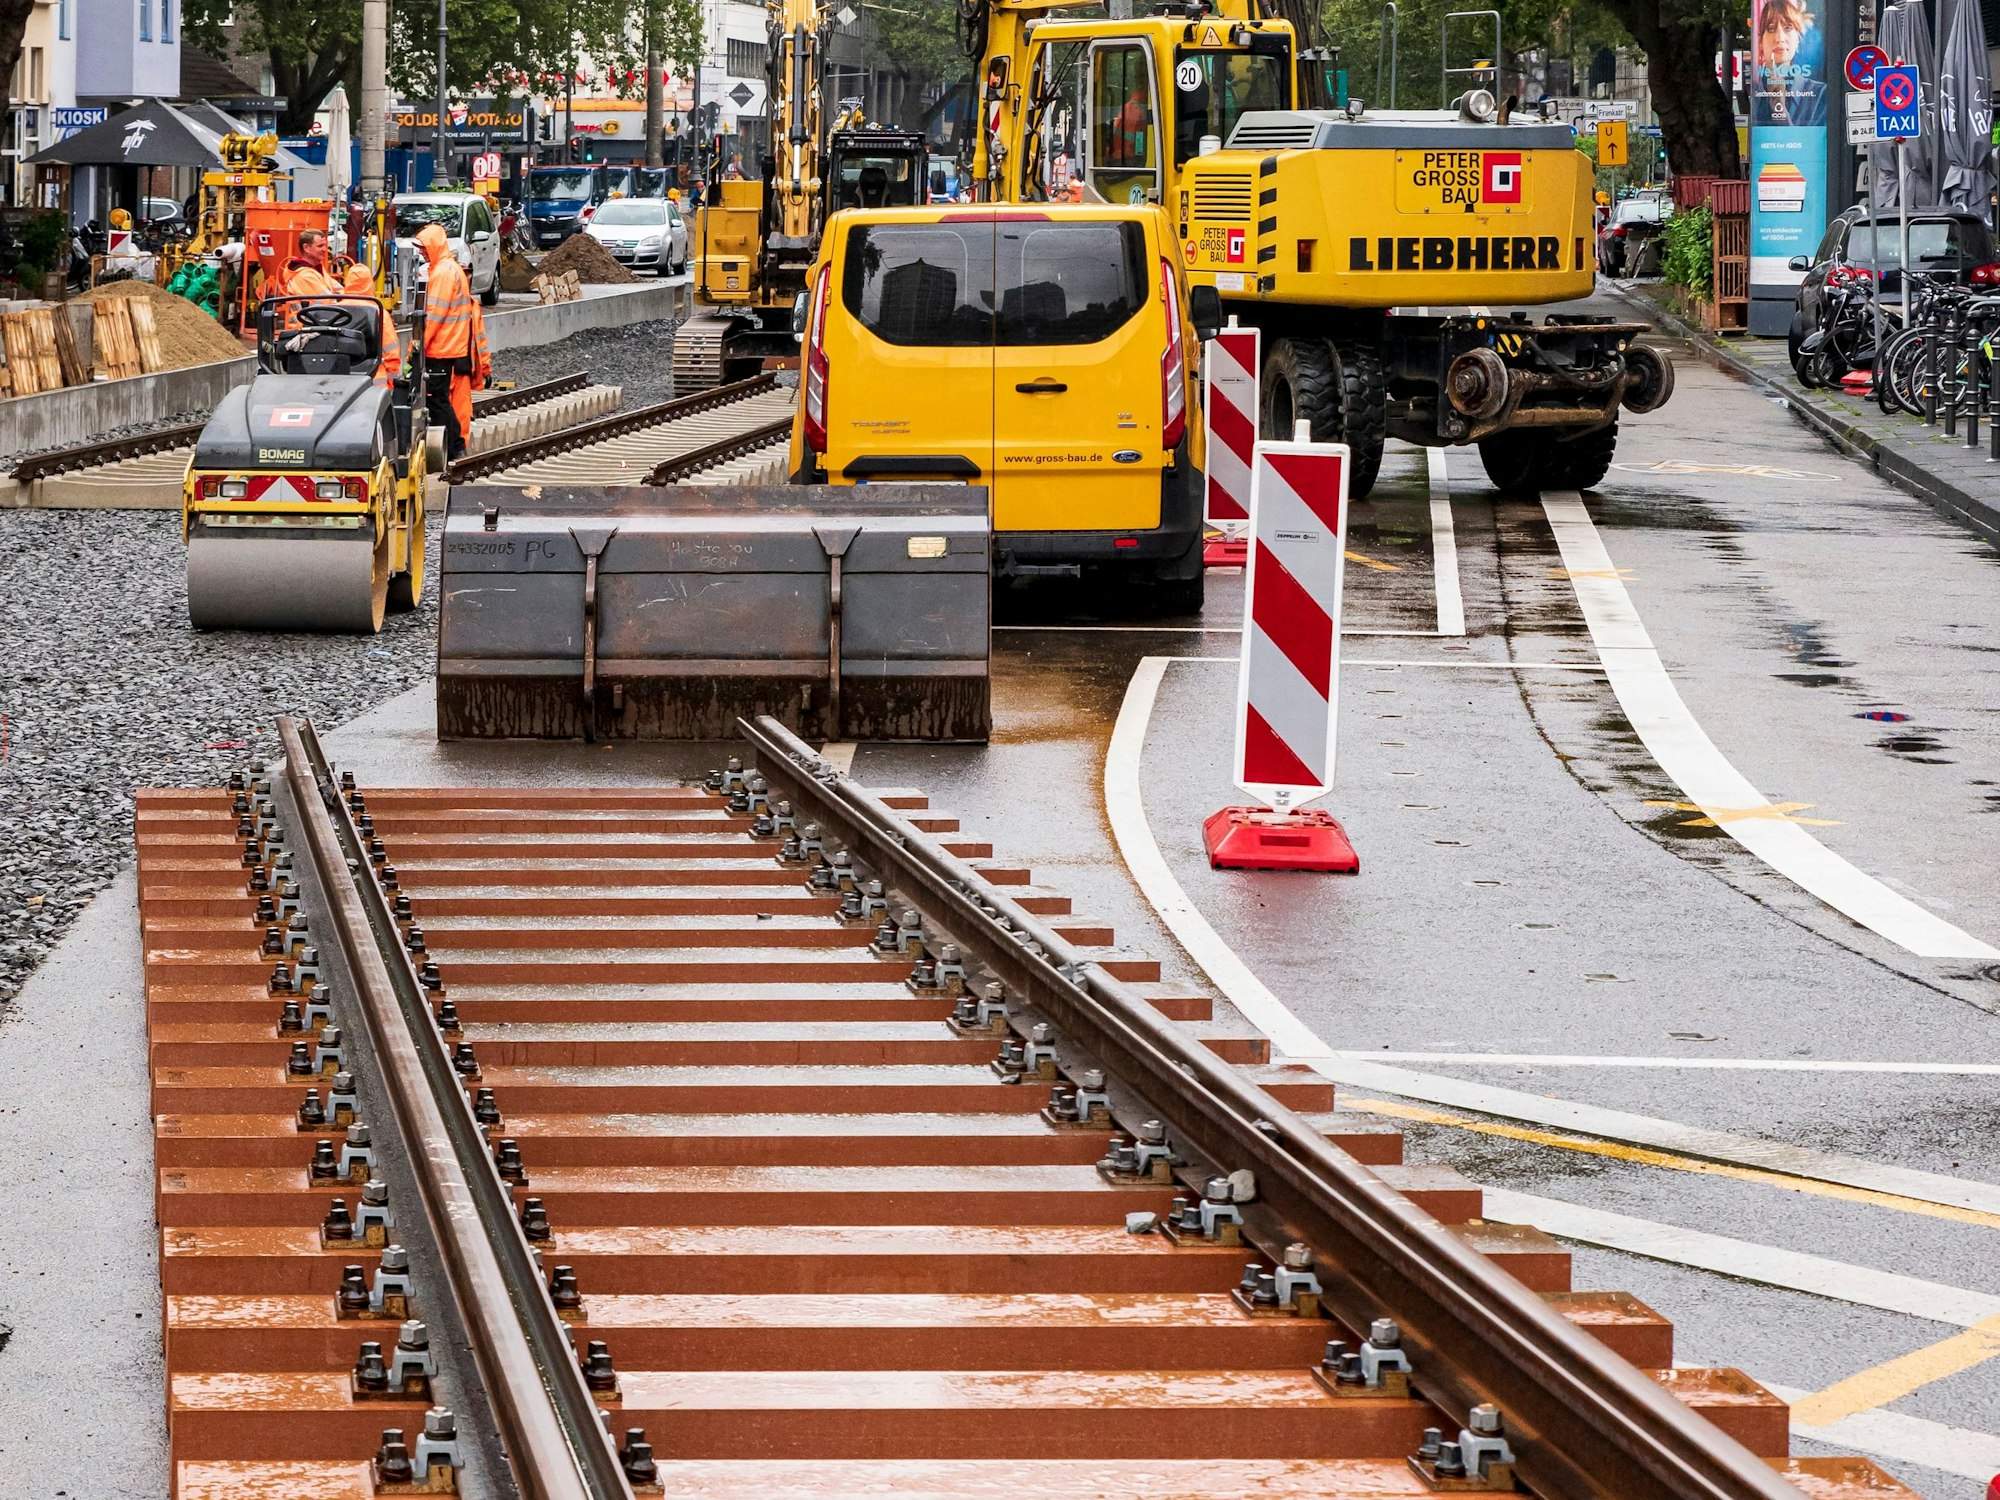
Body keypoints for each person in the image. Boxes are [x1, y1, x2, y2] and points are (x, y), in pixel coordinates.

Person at [415, 222, 478, 460]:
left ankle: (454, 447)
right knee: (439, 399)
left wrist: (419, 346)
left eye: (423, 247)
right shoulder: (450, 269)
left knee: (436, 400)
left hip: (440, 348)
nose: (421, 251)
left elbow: (434, 315)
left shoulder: (442, 273)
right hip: (450, 346)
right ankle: (455, 446)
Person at [342, 264, 399, 388]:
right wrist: (390, 383)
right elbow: (391, 353)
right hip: (374, 383)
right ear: (370, 283)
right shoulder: (379, 312)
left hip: (340, 380)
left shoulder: (335, 310)